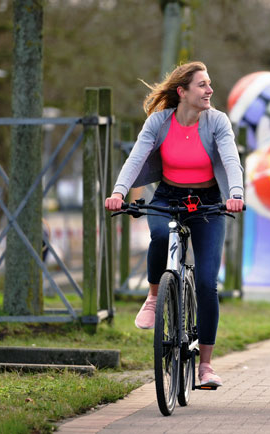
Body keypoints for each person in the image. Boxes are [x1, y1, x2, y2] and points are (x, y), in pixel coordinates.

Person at [104, 61, 244, 387]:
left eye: (210, 84)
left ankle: (205, 366)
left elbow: (230, 159)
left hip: (209, 200)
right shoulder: (159, 122)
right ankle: (155, 295)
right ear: (182, 92)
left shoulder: (217, 121)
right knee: (158, 234)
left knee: (208, 282)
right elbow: (136, 157)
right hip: (168, 195)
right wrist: (118, 191)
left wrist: (235, 193)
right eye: (202, 85)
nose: (210, 90)